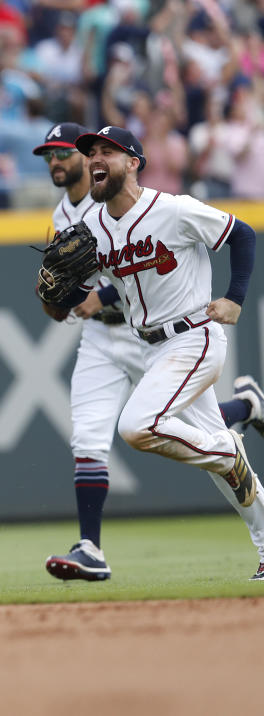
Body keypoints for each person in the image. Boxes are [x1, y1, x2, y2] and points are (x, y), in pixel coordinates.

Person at [36, 123, 264, 583]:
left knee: (138, 426)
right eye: (91, 152)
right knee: (217, 466)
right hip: (150, 346)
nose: (96, 159)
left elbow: (243, 235)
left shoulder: (173, 210)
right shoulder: (93, 227)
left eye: (107, 152)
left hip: (194, 337)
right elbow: (67, 303)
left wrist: (236, 298)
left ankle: (225, 448)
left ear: (133, 162)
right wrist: (50, 289)